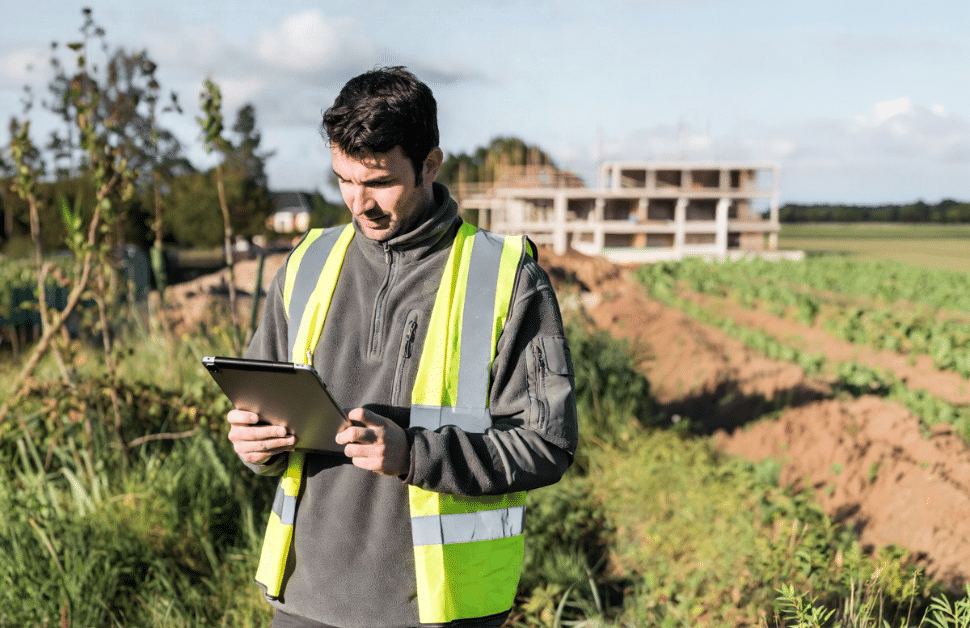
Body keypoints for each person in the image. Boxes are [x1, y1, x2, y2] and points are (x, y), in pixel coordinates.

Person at [226, 66, 578, 628]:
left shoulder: (507, 278)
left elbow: (546, 443)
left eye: (379, 182)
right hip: (305, 602)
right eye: (344, 180)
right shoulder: (306, 263)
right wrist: (255, 443)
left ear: (430, 165)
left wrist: (415, 455)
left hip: (438, 610)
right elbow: (262, 405)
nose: (358, 203)